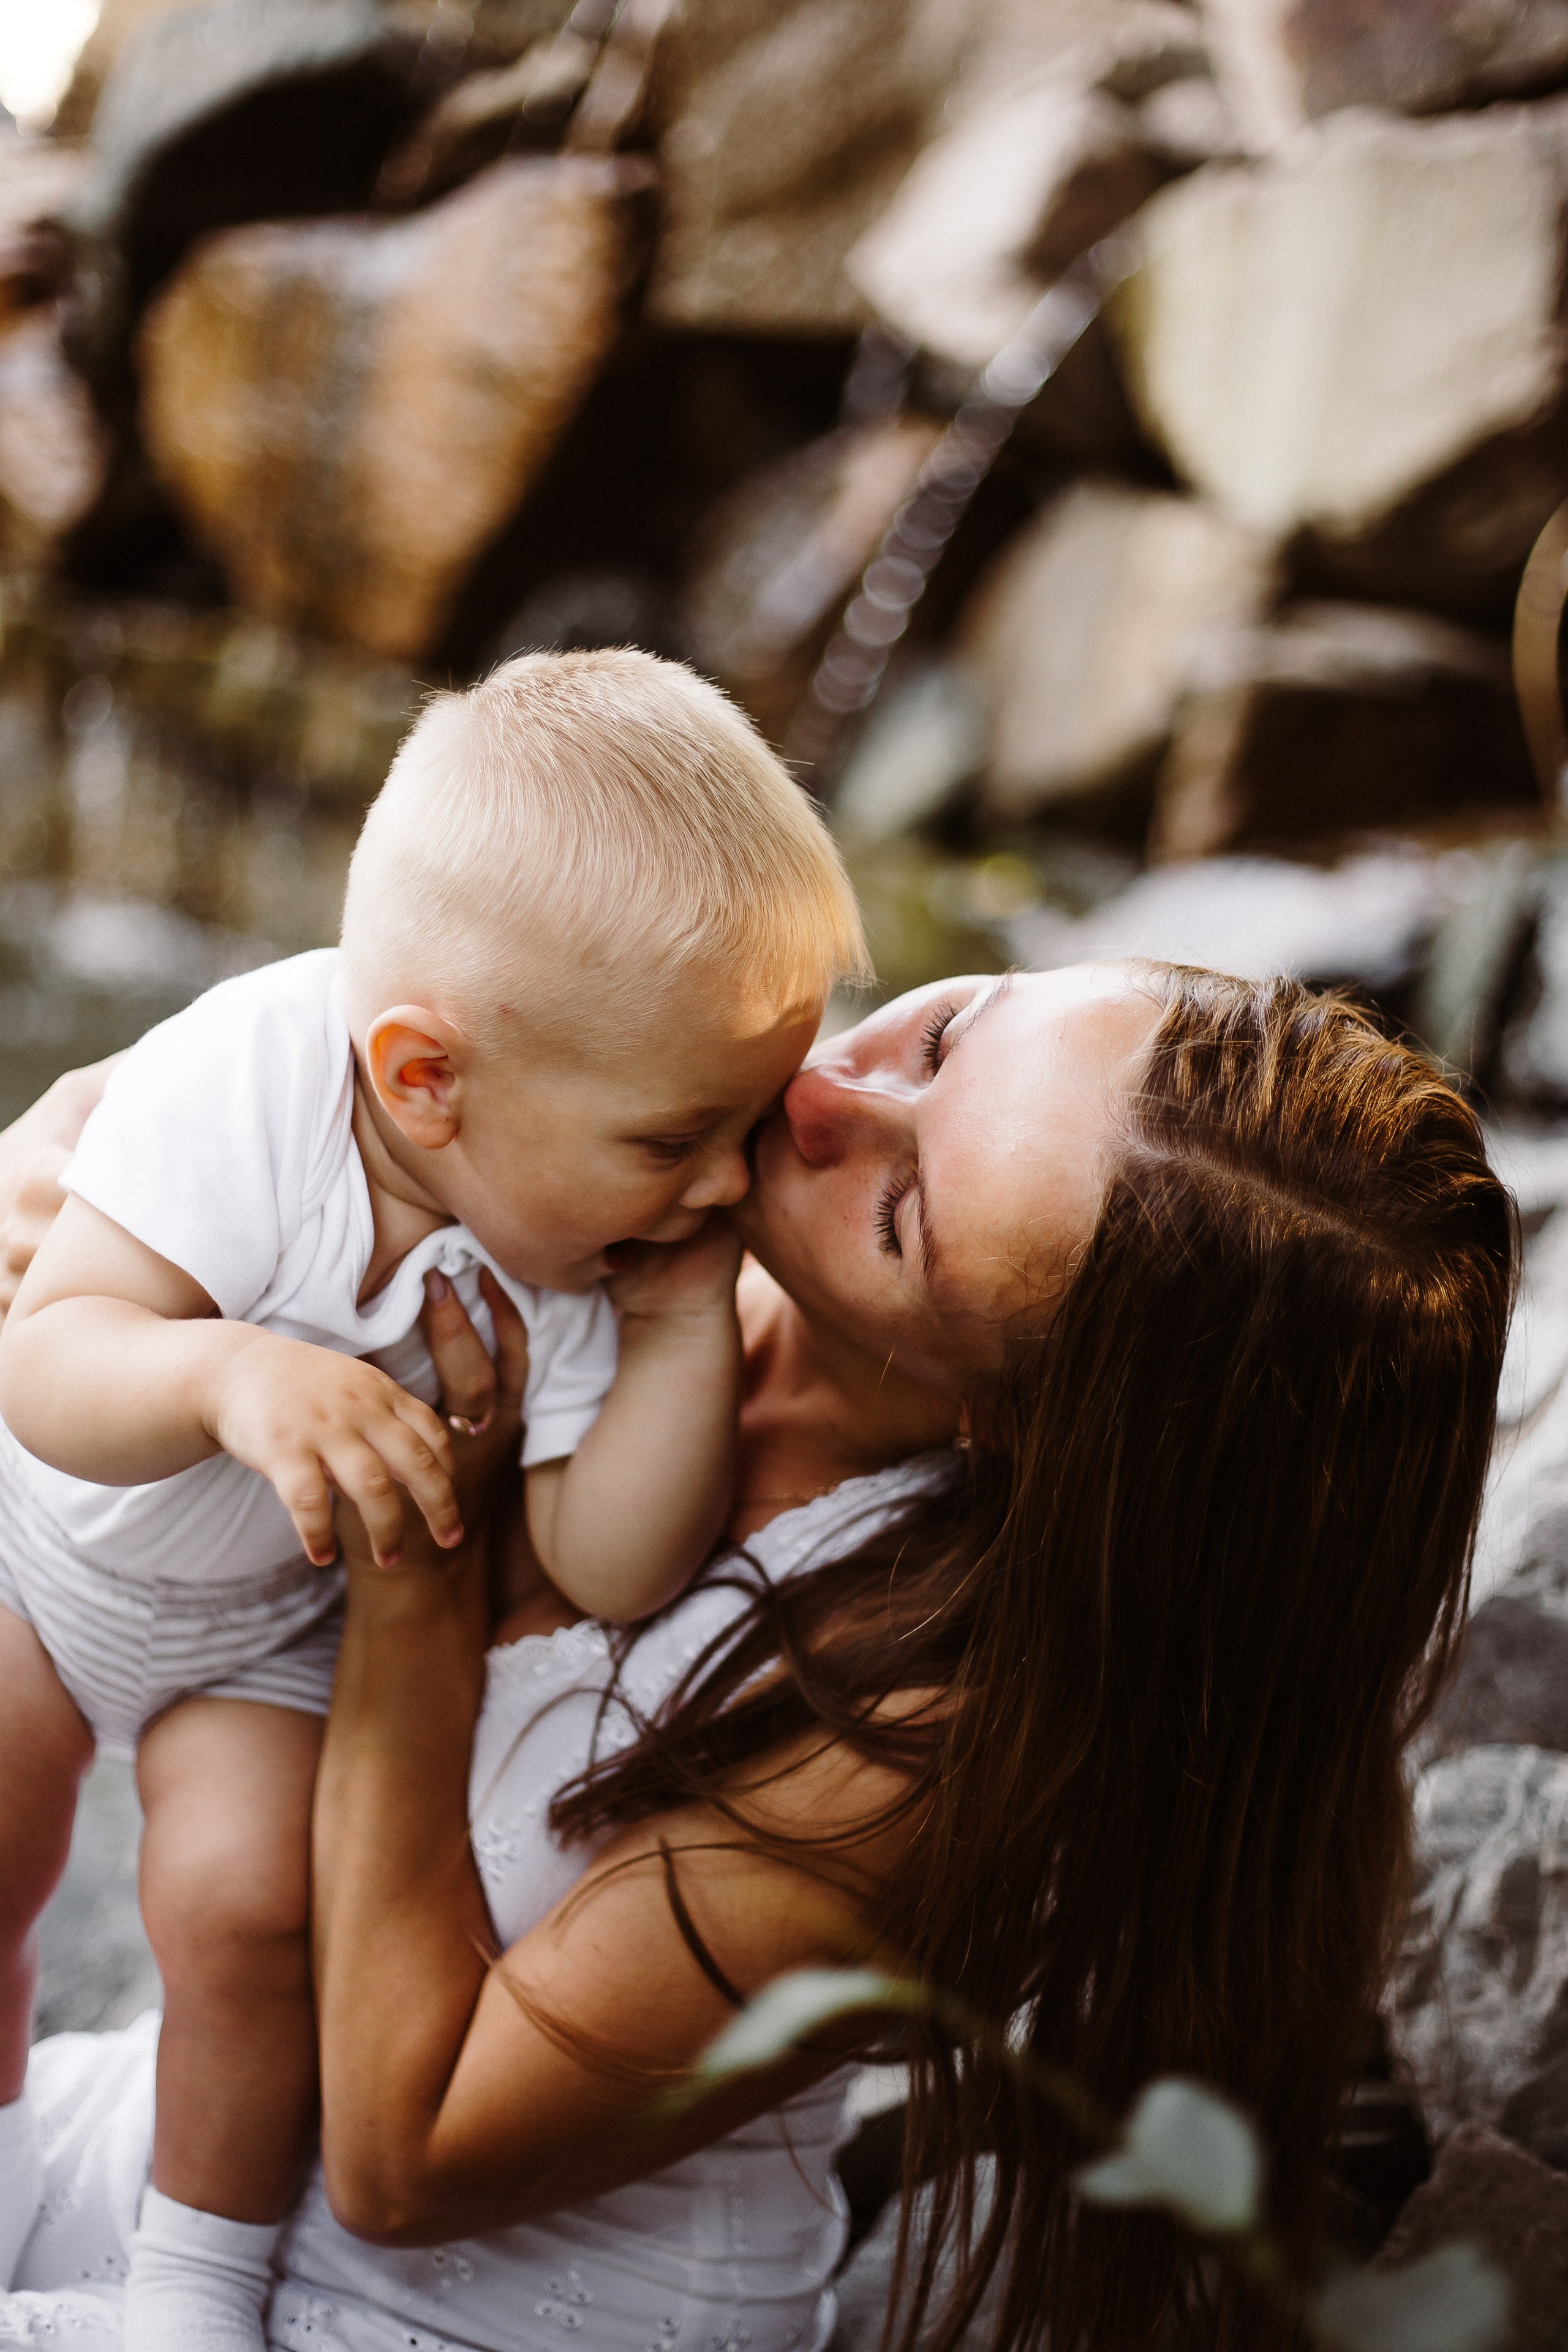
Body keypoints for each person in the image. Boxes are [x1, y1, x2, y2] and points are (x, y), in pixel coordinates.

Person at [0, 959, 1515, 2352]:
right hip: (188, 2122)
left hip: (435, 2305)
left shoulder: (916, 1723)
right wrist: (100, 1234)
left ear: (1019, 1422)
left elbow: (406, 2156)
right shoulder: (638, 1177)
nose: (823, 1096)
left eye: (900, 1215)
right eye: (942, 1032)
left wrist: (419, 1559)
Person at [0, 648, 865, 2352]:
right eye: (677, 1136)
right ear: (424, 1078)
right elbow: (46, 1366)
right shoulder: (246, 1080)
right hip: (41, 1565)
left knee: (249, 1912)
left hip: (255, 1638)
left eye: (749, 1126)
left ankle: (192, 2281)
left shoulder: (583, 1248)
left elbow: (605, 1563)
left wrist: (682, 1322)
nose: (726, 1185)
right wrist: (223, 1373)